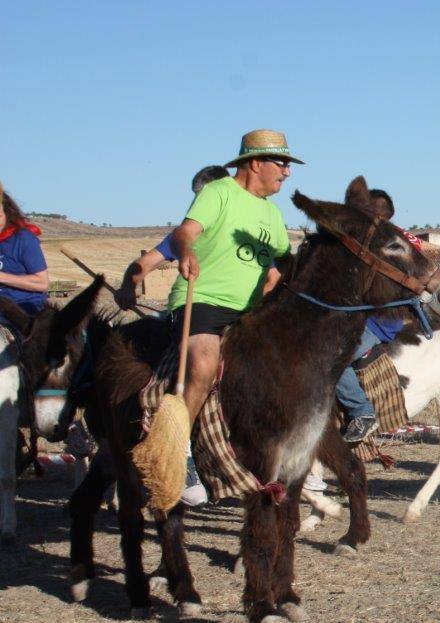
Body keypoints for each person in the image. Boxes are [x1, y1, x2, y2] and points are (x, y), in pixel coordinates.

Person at [172, 129, 301, 505]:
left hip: (248, 313)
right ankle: (180, 453)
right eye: (282, 163)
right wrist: (185, 252)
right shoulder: (218, 193)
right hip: (203, 301)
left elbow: (279, 267)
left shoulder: (273, 215)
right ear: (255, 163)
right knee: (203, 364)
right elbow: (185, 232)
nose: (287, 172)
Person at [333, 188, 400, 442]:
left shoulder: (387, 250)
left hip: (377, 323)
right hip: (356, 318)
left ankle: (362, 411)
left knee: (335, 360)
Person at [115, 166, 230, 310]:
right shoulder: (184, 237)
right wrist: (127, 287)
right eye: (197, 197)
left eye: (202, 198)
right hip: (200, 309)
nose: (196, 204)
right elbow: (145, 263)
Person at [0, 181, 50, 318]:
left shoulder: (24, 239)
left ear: (7, 212)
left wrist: (2, 277)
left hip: (21, 311)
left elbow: (42, 283)